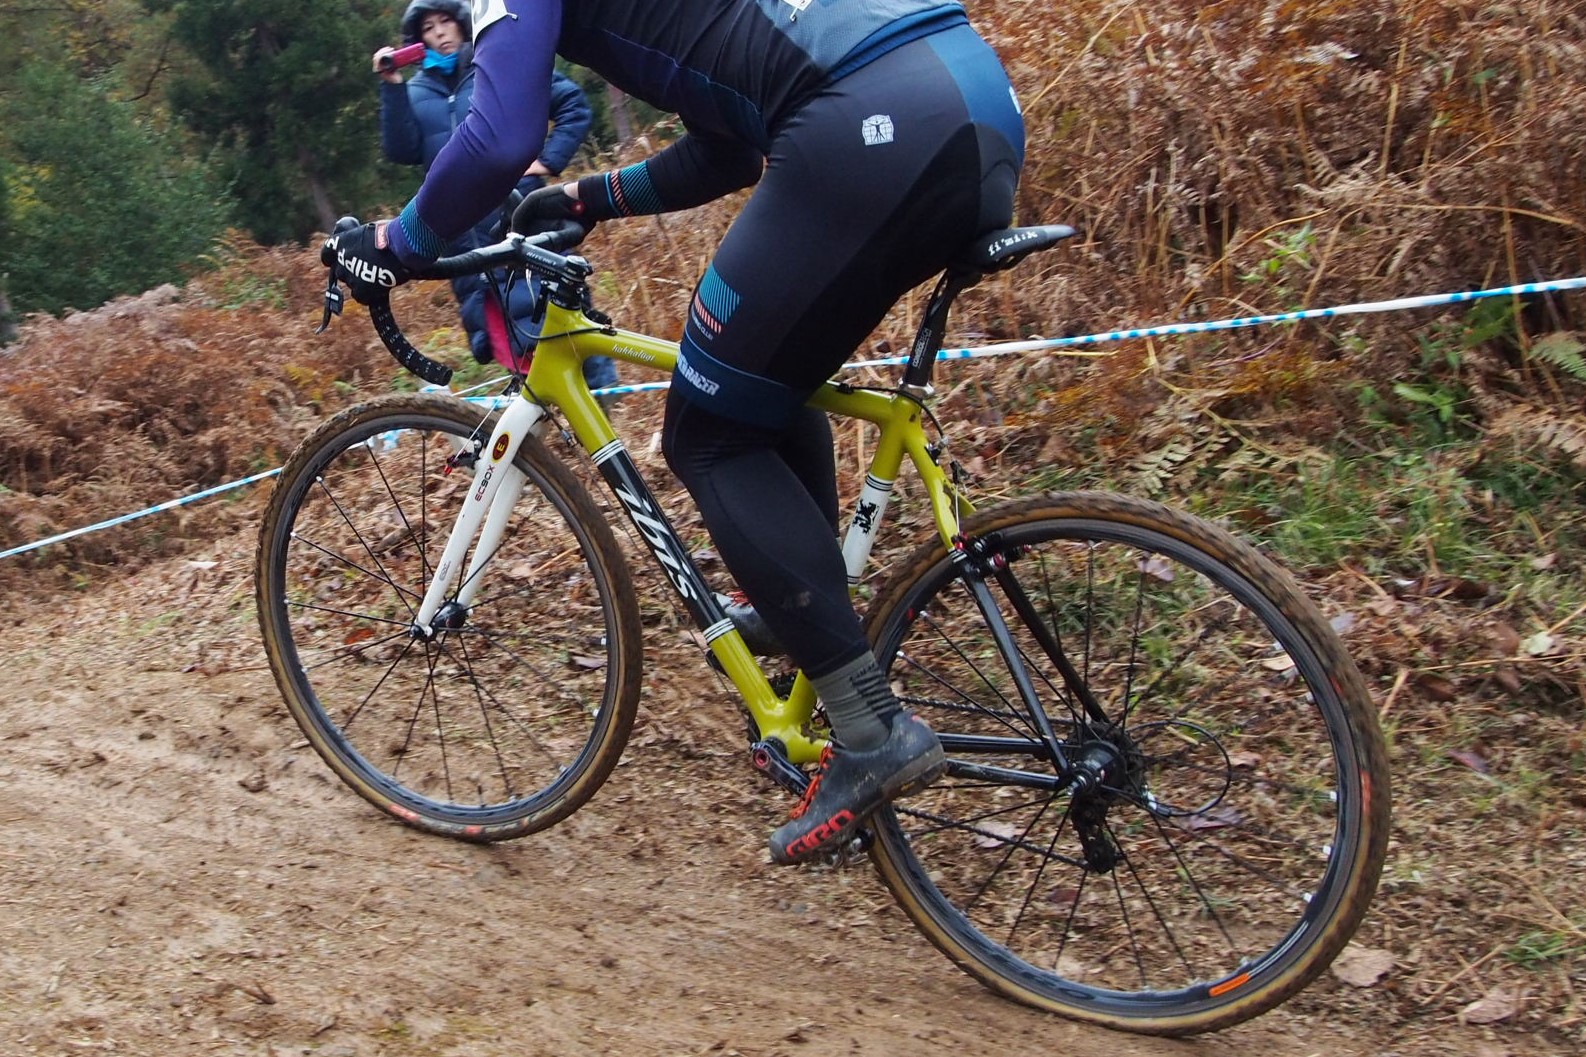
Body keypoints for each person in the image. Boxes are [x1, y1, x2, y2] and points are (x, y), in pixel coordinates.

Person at [330, 0, 1025, 864]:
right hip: (972, 95)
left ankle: (871, 729)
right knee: (761, 382)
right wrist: (586, 197)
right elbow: (728, 149)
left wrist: (396, 242)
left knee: (708, 434)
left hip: (867, 120)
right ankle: (796, 615)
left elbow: (499, 138)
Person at [371, 0, 617, 393]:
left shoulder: (497, 65)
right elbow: (401, 149)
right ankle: (550, 422)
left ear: (462, 23)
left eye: (445, 21)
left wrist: (547, 161)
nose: (439, 32)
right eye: (428, 27)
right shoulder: (414, 94)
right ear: (418, 40)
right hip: (467, 242)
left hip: (524, 221)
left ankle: (604, 403)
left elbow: (572, 104)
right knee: (510, 341)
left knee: (564, 319)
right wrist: (392, 87)